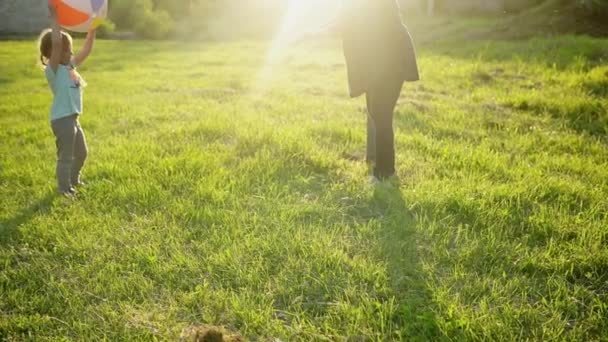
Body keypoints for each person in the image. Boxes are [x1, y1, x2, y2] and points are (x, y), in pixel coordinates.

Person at [303, 0, 419, 181]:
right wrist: (316, 31)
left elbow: (348, 21)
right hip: (375, 62)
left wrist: (318, 33)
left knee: (381, 115)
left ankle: (385, 174)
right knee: (375, 111)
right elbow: (343, 19)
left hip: (390, 60)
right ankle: (375, 161)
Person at [39, 5, 97, 197]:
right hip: (62, 119)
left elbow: (86, 50)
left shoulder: (70, 66)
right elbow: (56, 43)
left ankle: (74, 180)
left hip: (73, 118)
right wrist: (55, 18)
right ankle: (64, 189)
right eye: (64, 50)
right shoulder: (53, 71)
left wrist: (92, 27)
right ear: (50, 54)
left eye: (69, 50)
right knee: (65, 157)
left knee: (82, 153)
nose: (68, 53)